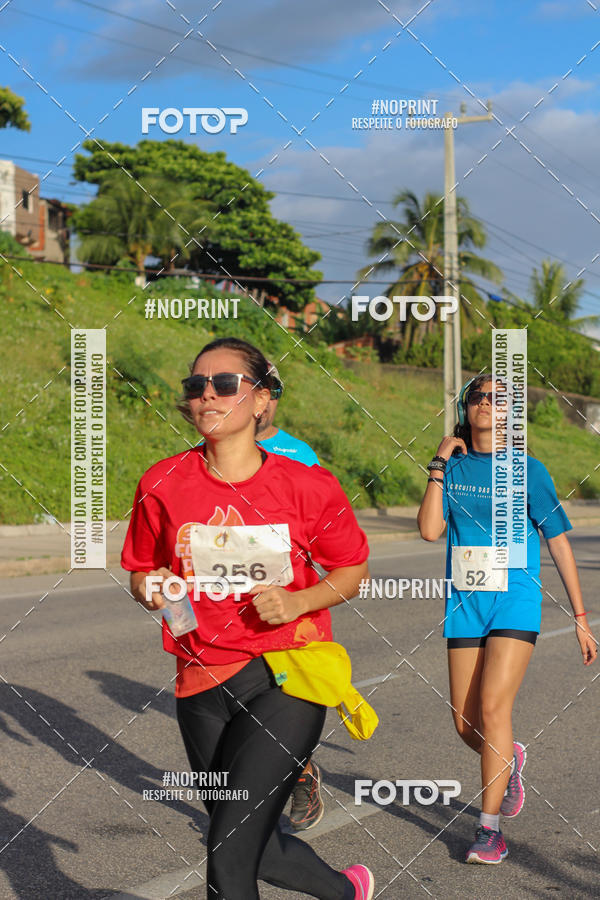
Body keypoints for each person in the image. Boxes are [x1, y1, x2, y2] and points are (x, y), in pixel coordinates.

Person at [122, 337, 374, 900]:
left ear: (261, 400)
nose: (207, 395)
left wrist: (298, 602)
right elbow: (142, 568)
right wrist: (151, 587)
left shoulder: (307, 486)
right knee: (244, 840)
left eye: (225, 384)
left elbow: (351, 568)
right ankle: (345, 892)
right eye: (196, 386)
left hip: (285, 673)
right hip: (199, 681)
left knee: (229, 861)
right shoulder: (161, 483)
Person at [417, 373, 597, 865]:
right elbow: (431, 530)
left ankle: (490, 830)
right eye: (478, 396)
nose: (486, 404)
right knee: (464, 723)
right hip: (465, 601)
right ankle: (508, 760)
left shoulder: (529, 471)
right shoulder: (451, 467)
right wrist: (437, 463)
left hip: (514, 600)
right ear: (467, 406)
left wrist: (580, 616)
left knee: (495, 708)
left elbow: (558, 541)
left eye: (499, 399)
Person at [257, 362, 324, 831]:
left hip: (290, 603)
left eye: (275, 389)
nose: (267, 397)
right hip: (228, 604)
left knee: (287, 697)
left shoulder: (298, 454)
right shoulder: (210, 449)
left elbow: (326, 527)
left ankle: (301, 775)